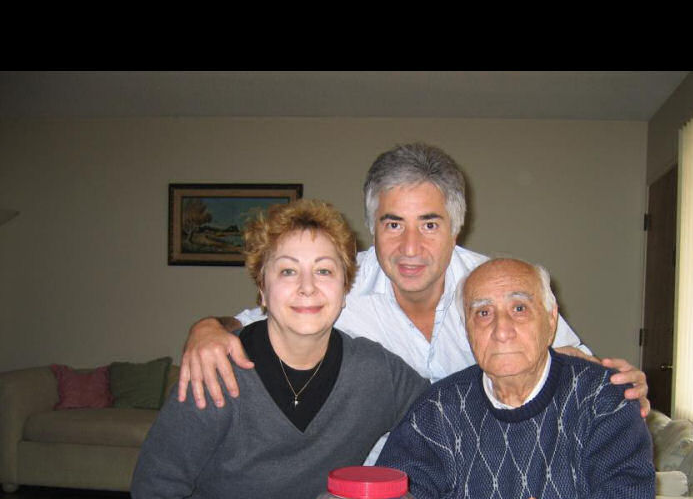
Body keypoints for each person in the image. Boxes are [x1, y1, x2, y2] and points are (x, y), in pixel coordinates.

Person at [178, 143, 650, 416]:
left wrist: (618, 384)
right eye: (393, 223)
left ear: (456, 227)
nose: (409, 247)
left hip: (482, 487)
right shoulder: (336, 287)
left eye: (428, 224)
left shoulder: (498, 289)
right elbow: (251, 323)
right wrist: (207, 329)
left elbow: (572, 363)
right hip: (371, 487)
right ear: (372, 227)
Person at [131, 200, 429, 499]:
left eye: (324, 270)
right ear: (262, 289)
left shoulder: (376, 374)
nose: (307, 286)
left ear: (345, 288)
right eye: (288, 271)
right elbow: (155, 489)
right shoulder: (217, 371)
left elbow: (443, 418)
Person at [376, 258, 657, 499]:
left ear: (551, 320)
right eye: (483, 313)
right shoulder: (438, 408)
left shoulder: (604, 397)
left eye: (519, 308)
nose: (502, 330)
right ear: (467, 330)